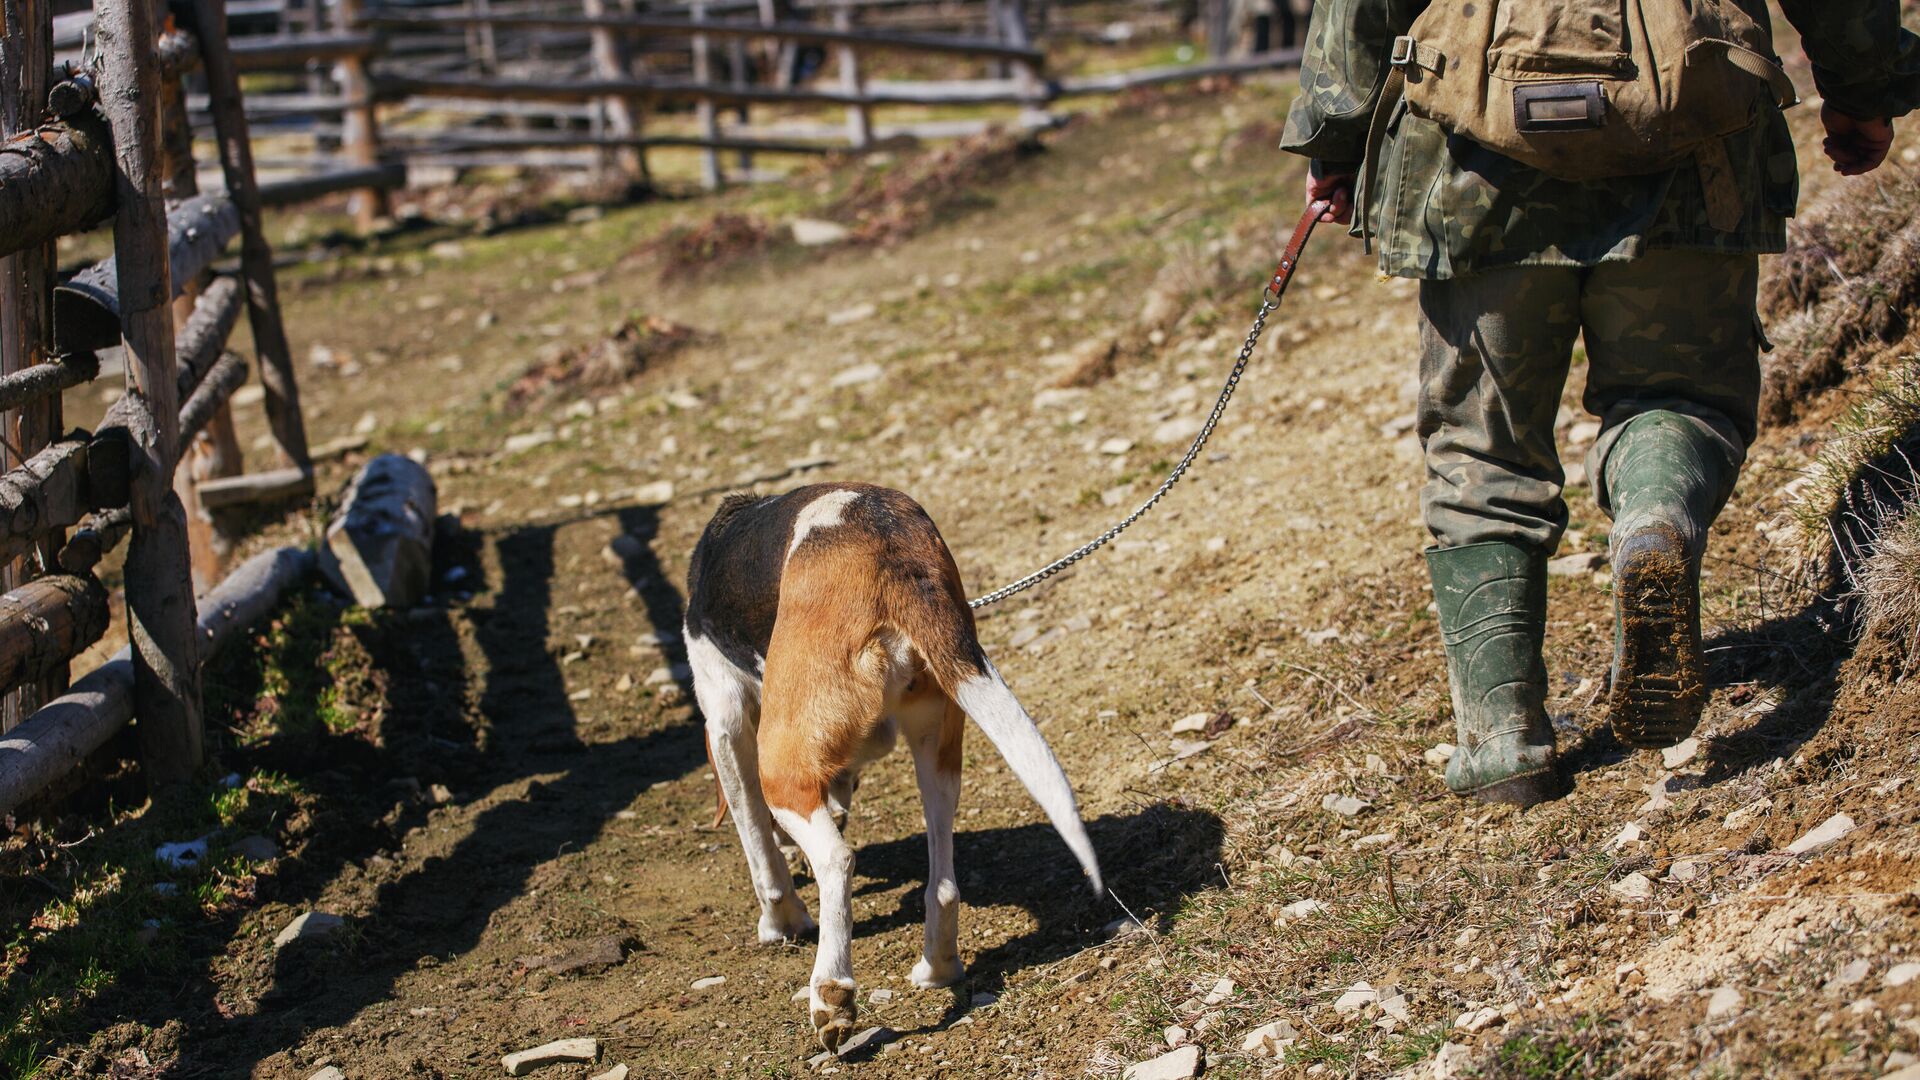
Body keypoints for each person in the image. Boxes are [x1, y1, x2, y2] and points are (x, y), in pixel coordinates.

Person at [1281, 1, 1920, 806]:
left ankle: (1503, 741)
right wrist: (1865, 85)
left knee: (1484, 446)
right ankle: (1654, 523)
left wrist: (1335, 134)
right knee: (1678, 397)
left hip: (1475, 160)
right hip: (1693, 151)